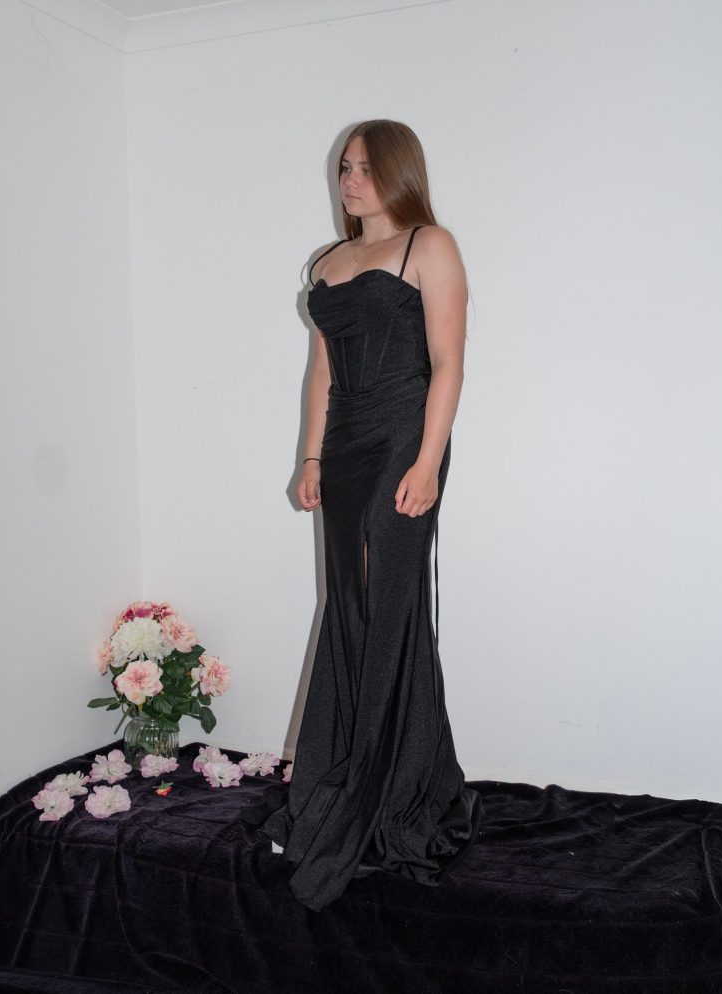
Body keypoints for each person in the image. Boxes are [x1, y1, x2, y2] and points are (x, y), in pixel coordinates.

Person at [242, 119, 483, 912]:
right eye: (344, 167)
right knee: (349, 607)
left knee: (388, 608)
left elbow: (448, 363)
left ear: (398, 172)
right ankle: (347, 778)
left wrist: (427, 463)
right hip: (344, 447)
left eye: (365, 168)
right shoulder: (328, 261)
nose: (350, 180)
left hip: (404, 439)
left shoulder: (429, 245)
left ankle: (390, 798)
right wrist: (310, 458)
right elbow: (320, 372)